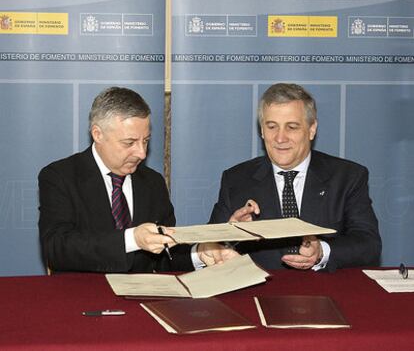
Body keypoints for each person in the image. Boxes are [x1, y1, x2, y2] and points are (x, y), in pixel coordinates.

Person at [39, 86, 236, 273]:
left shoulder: (152, 182)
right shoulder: (60, 176)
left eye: (146, 141)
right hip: (83, 299)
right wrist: (132, 239)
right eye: (130, 142)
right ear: (98, 134)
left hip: (143, 300)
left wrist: (199, 253)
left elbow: (166, 257)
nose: (141, 153)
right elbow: (57, 248)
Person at [209, 83, 381, 271]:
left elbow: (368, 245)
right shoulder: (236, 180)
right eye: (272, 126)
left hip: (325, 292)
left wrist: (322, 252)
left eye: (291, 127)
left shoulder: (347, 177)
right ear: (262, 131)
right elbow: (209, 248)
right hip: (259, 292)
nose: (280, 138)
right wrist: (230, 235)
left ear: (312, 129)